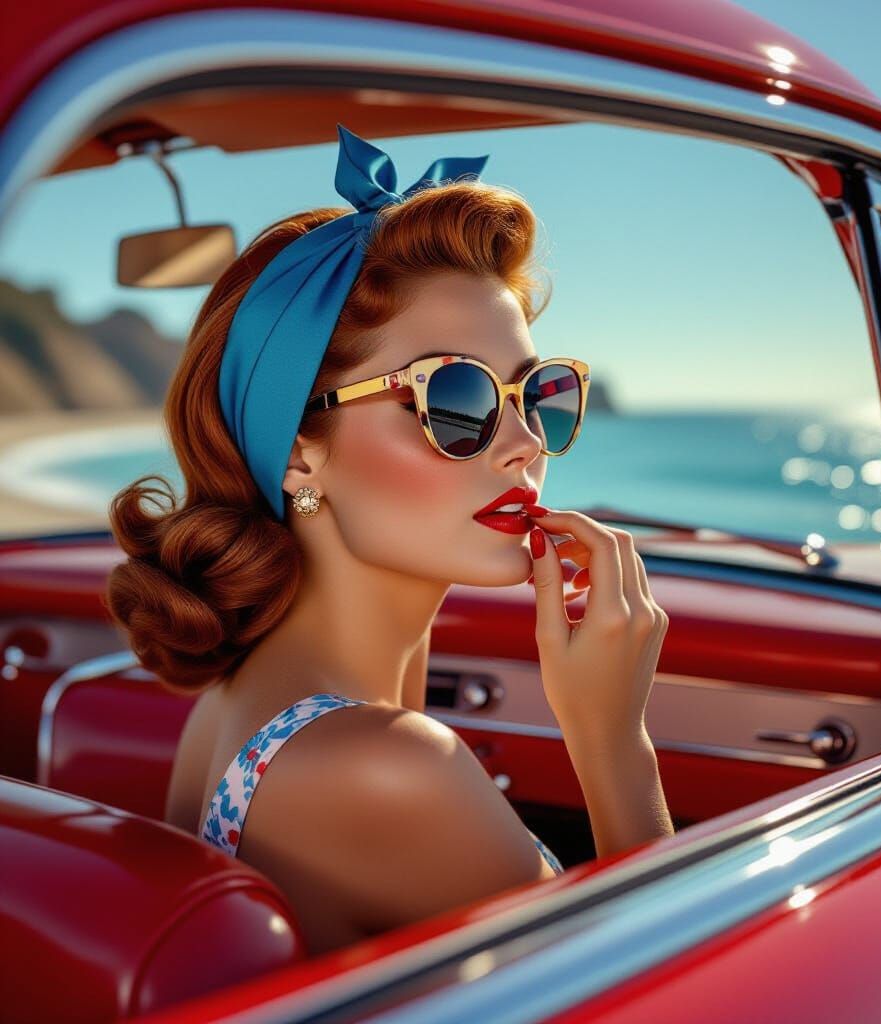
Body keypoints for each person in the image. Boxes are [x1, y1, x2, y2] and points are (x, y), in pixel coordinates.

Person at [106, 124, 674, 955]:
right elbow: (660, 996)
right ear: (302, 451)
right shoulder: (391, 768)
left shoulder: (242, 696)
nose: (524, 443)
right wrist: (614, 743)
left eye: (535, 393)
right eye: (457, 400)